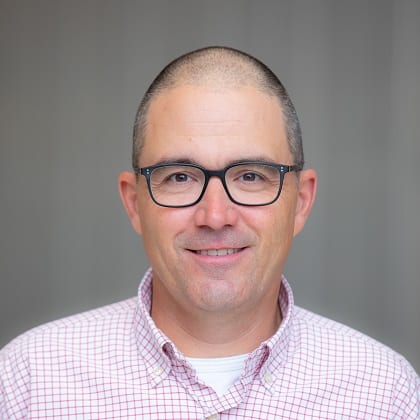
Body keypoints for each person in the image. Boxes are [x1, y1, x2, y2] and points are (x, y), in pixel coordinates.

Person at [0, 46, 418, 419]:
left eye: (251, 176)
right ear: (134, 203)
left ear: (301, 201)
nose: (215, 216)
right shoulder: (28, 383)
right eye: (180, 176)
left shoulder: (386, 394)